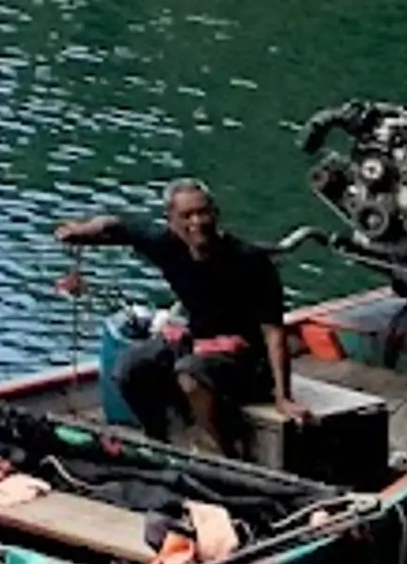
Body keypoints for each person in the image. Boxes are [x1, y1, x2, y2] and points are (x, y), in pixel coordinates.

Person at [55, 180, 296, 454]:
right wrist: (80, 232)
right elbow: (115, 226)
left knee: (190, 371)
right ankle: (158, 441)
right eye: (187, 216)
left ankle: (216, 450)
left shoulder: (250, 261)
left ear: (215, 214)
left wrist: (282, 395)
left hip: (249, 361)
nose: (197, 222)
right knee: (130, 367)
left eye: (203, 213)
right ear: (170, 220)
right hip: (200, 342)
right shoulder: (166, 245)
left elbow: (274, 332)